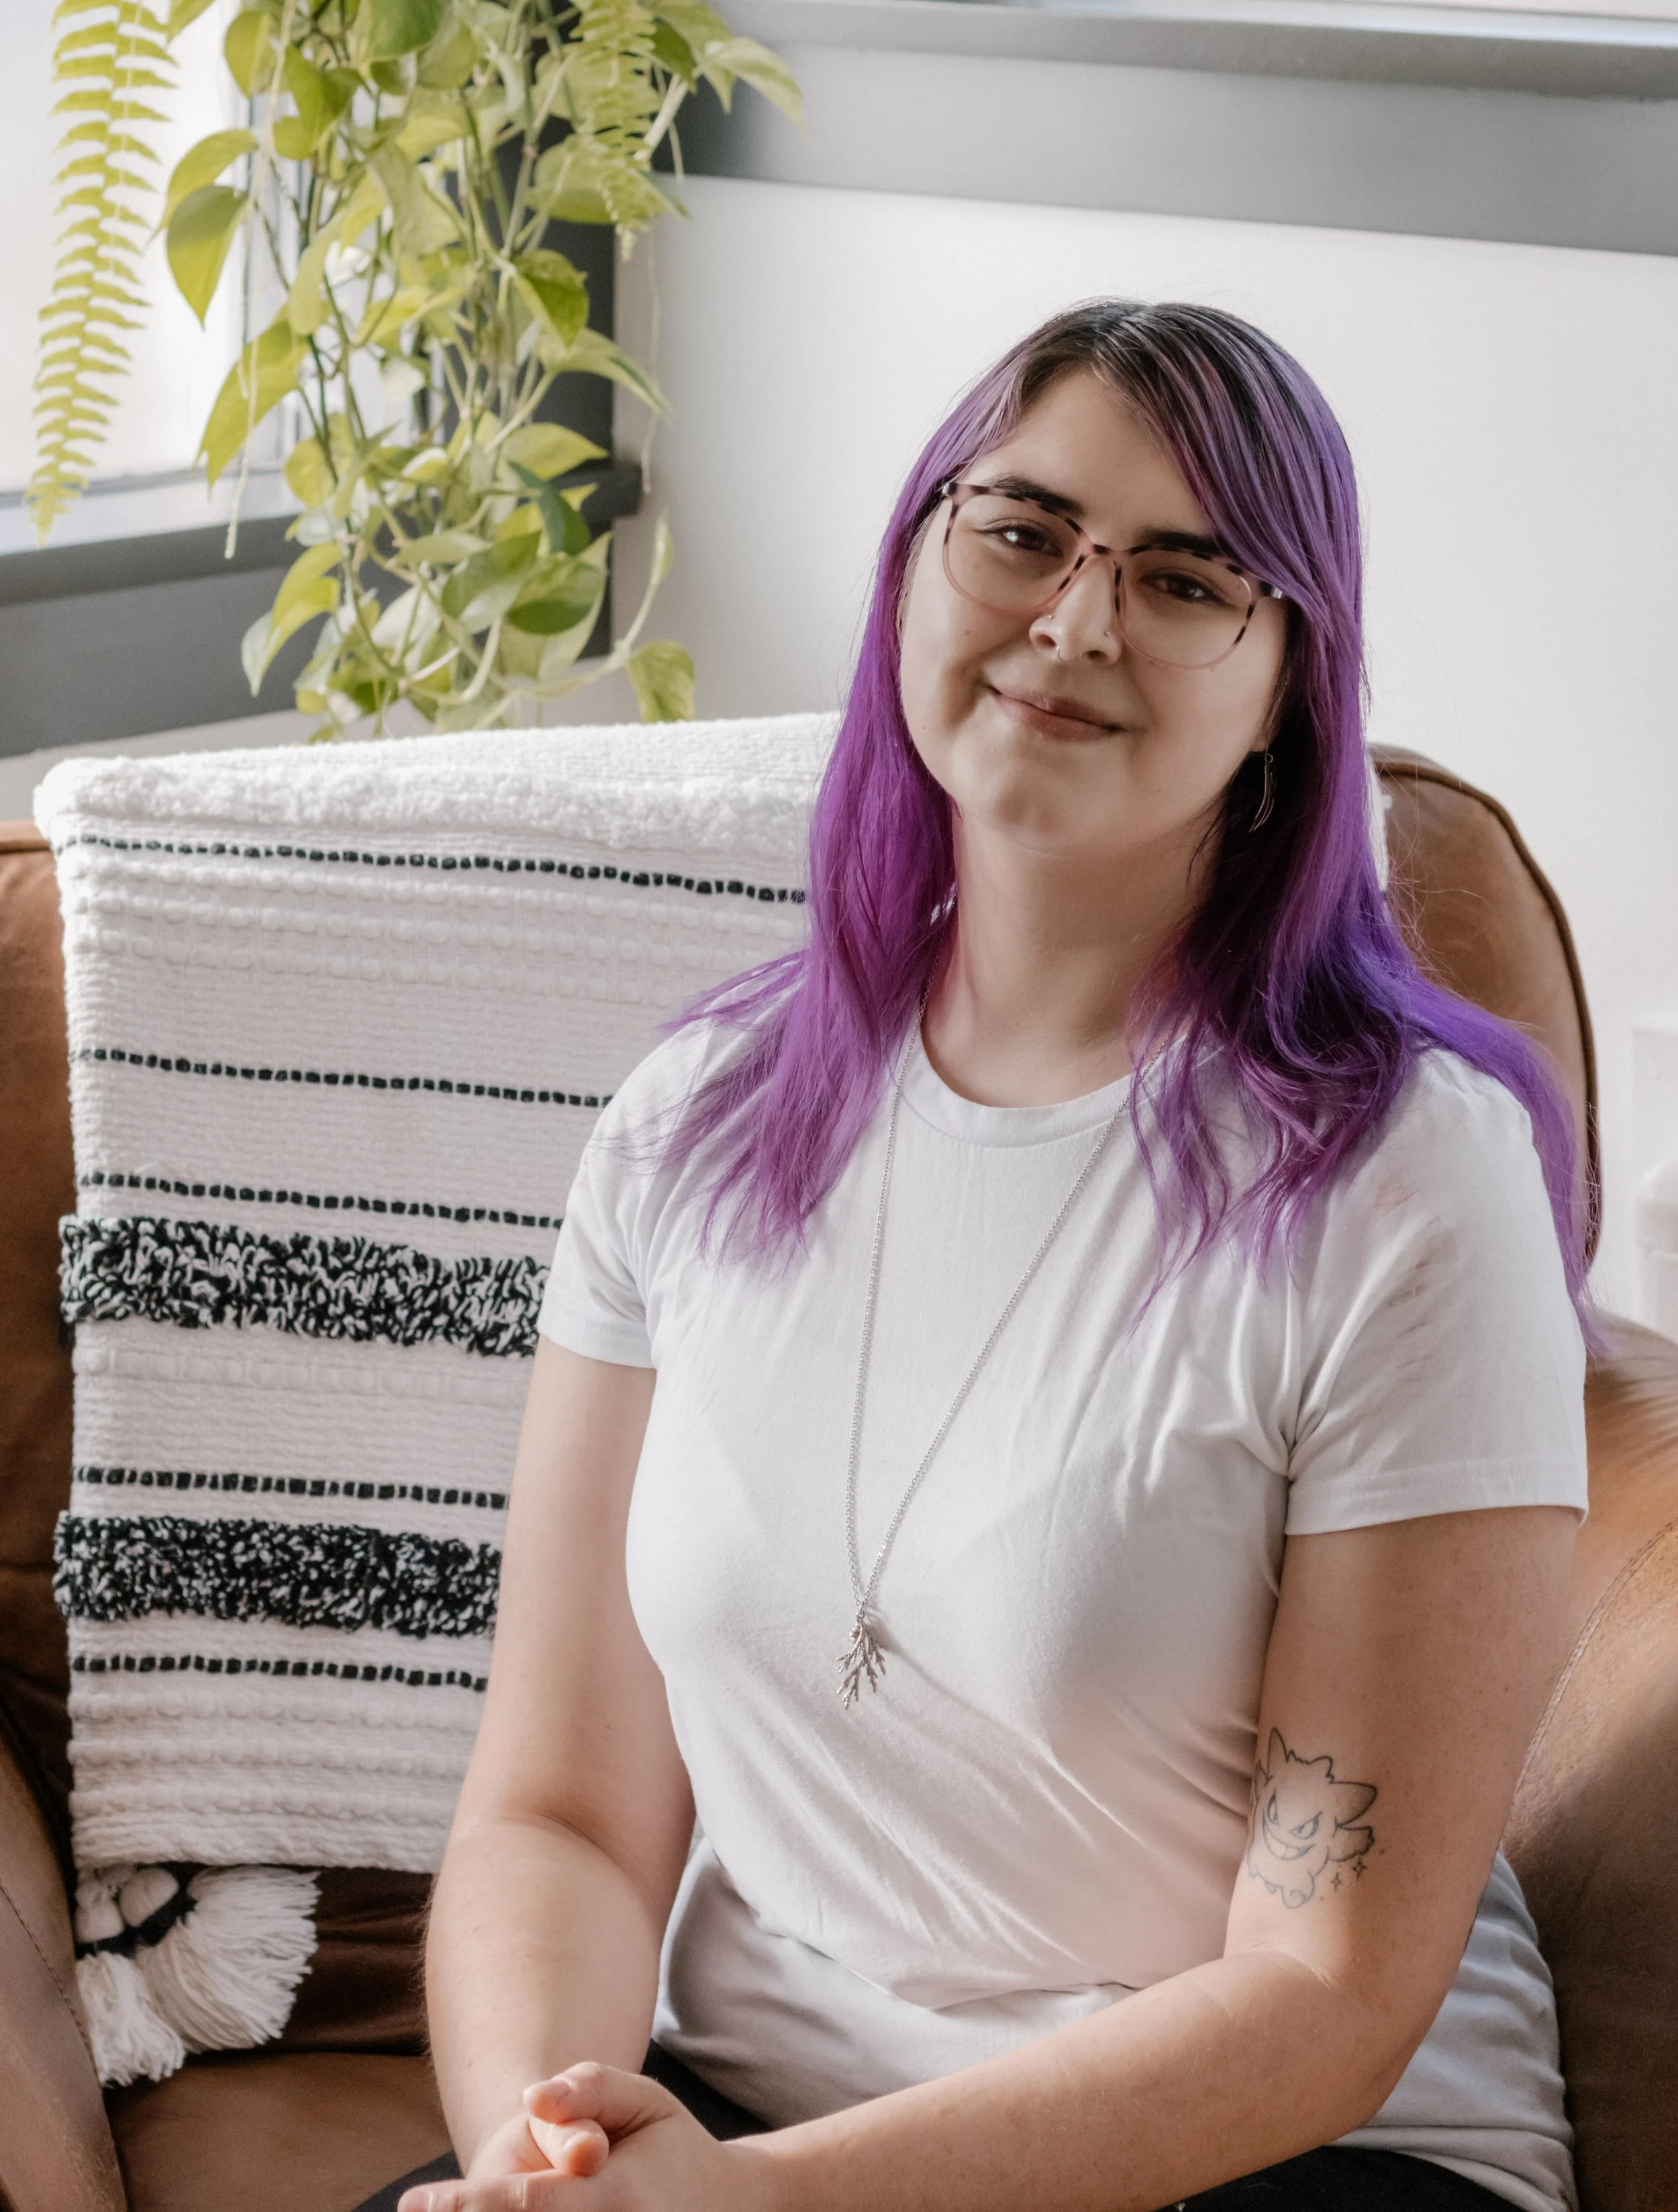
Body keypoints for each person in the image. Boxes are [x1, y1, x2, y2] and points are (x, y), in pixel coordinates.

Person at [391, 301, 1590, 2212]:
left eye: (1187, 577)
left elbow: (1322, 1988)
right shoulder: (690, 1122)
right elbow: (561, 1813)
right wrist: (551, 2159)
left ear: (1291, 682)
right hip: (746, 2113)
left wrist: (763, 2204)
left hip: (1291, 2147)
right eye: (1021, 530)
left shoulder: (1406, 1180)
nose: (1077, 618)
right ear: (913, 569)